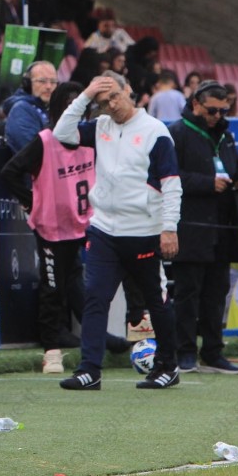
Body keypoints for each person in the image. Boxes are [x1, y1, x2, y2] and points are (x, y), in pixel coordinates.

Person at [55, 71, 182, 390]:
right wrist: (85, 95)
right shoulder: (100, 126)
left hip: (144, 231)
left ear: (129, 91)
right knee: (95, 299)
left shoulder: (155, 130)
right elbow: (62, 132)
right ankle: (89, 370)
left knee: (156, 301)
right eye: (103, 101)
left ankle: (168, 366)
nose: (111, 104)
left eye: (114, 96)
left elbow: (171, 184)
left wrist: (169, 228)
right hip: (104, 230)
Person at [1, 82, 95, 374]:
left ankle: (97, 342)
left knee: (85, 283)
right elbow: (10, 172)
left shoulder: (91, 137)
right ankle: (51, 351)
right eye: (68, 104)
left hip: (85, 225)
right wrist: (34, 202)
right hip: (52, 229)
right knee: (52, 288)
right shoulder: (44, 140)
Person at [168, 80, 238, 374]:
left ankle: (213, 351)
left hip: (222, 225)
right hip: (191, 224)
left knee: (217, 292)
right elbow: (168, 176)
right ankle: (185, 352)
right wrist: (206, 183)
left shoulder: (225, 134)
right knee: (188, 292)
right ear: (195, 105)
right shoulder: (177, 133)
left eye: (223, 111)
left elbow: (237, 163)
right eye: (212, 110)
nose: (217, 116)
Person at [3, 61, 57, 154]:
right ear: (27, 84)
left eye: (53, 82)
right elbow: (33, 152)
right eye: (42, 81)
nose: (49, 86)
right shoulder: (21, 110)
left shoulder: (52, 108)